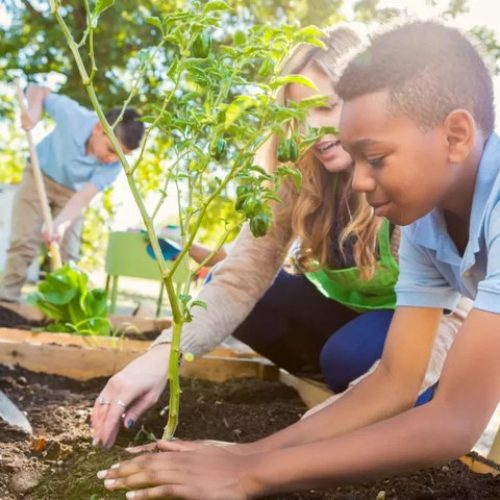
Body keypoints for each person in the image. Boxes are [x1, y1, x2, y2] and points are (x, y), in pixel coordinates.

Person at [96, 20, 500, 498]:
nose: (358, 182)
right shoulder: (425, 221)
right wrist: (250, 453)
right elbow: (393, 380)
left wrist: (251, 475)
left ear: (456, 135)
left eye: (375, 157)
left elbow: (454, 421)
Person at [0, 86, 144, 304]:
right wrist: (35, 111)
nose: (114, 159)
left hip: (72, 193)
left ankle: (62, 308)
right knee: (24, 242)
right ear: (98, 128)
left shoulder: (114, 166)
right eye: (111, 150)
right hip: (39, 174)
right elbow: (38, 90)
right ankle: (6, 301)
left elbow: (83, 197)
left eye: (123, 155)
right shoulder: (75, 116)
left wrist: (59, 224)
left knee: (68, 252)